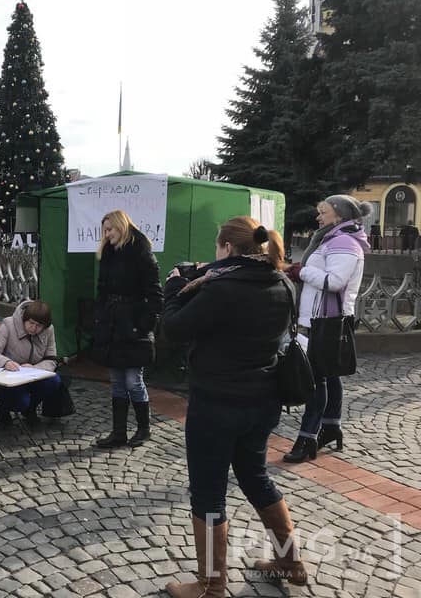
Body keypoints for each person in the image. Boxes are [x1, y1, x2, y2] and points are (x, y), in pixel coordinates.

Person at [161, 217, 305, 597]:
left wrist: (175, 287)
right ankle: (290, 561)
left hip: (216, 404)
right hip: (263, 400)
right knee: (256, 477)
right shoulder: (282, 283)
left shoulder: (221, 288)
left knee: (208, 492)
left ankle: (211, 585)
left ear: (226, 247)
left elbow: (174, 328)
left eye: (216, 247)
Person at [282, 195, 372, 462]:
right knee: (329, 375)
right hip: (321, 318)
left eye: (323, 212)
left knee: (317, 378)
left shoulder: (343, 242)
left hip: (327, 321)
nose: (318, 217)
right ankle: (331, 426)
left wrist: (302, 272)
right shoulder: (330, 239)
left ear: (340, 216)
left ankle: (307, 438)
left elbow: (335, 281)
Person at [92, 210, 163, 448]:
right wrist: (100, 315)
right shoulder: (109, 253)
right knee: (117, 380)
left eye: (110, 229)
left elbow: (155, 293)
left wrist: (142, 325)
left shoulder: (141, 252)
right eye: (104, 230)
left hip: (132, 323)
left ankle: (144, 429)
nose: (106, 234)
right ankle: (118, 432)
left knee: (133, 379)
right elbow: (101, 290)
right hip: (113, 323)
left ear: (121, 227)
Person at [0, 300, 61, 424]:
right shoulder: (9, 324)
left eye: (39, 326)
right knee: (21, 402)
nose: (34, 328)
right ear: (25, 318)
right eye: (31, 323)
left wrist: (35, 368)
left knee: (54, 380)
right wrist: (6, 362)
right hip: (7, 379)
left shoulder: (49, 330)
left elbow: (51, 358)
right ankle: (3, 408)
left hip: (32, 376)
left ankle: (31, 408)